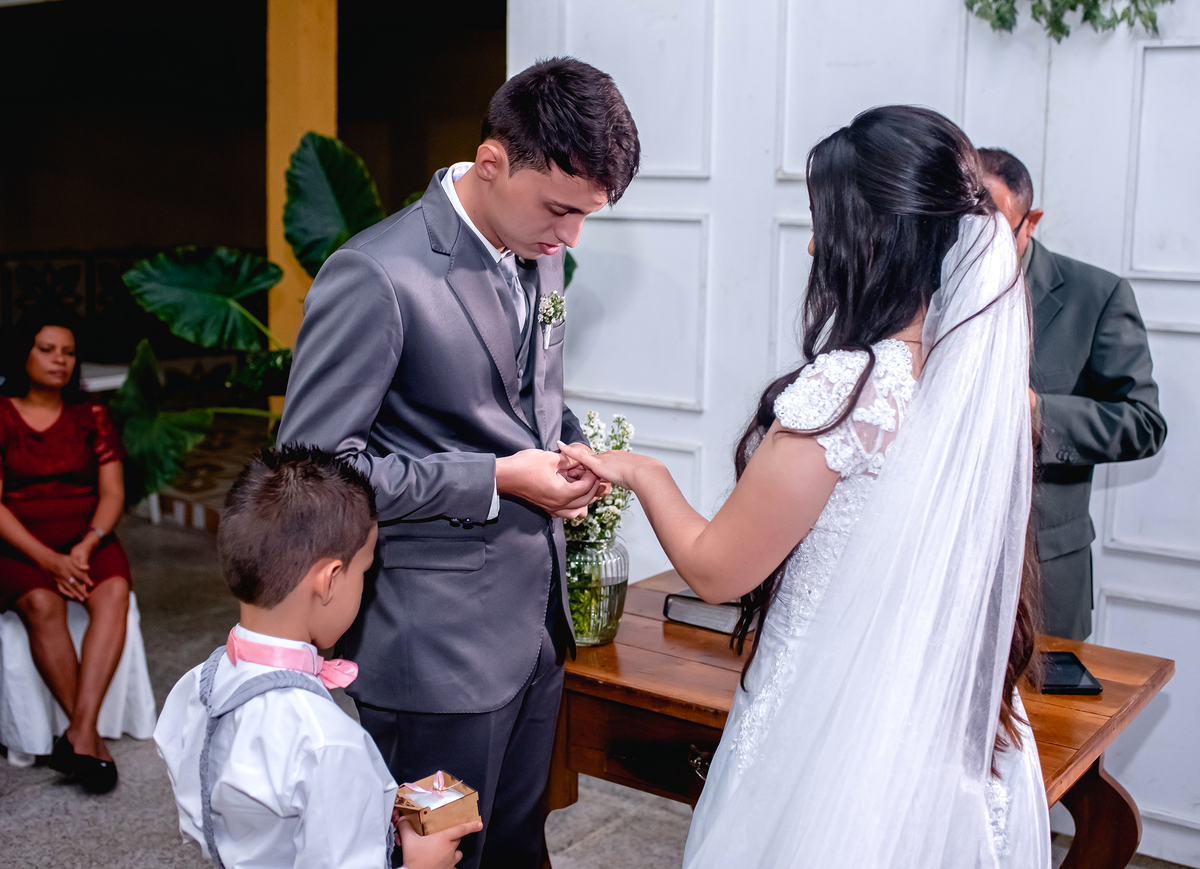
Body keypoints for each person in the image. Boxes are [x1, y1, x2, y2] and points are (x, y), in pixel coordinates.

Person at [560, 106, 1052, 867]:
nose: (817, 244)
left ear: (872, 239)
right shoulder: (994, 394)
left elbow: (717, 572)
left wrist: (640, 469)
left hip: (831, 731)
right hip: (944, 721)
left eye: (826, 222)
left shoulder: (848, 391)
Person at [277, 57, 639, 868]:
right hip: (433, 664)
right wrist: (495, 478)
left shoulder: (541, 251)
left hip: (534, 635)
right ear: (491, 161)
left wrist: (568, 449)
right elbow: (311, 471)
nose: (570, 237)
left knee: (515, 845)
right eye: (560, 209)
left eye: (586, 217)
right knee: (437, 856)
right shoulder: (378, 274)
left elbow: (525, 396)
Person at [154, 446, 481, 869]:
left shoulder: (198, 682)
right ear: (329, 580)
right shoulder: (328, 743)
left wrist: (364, 804)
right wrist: (422, 864)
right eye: (364, 571)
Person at [980, 148, 1166, 640]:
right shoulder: (927, 289)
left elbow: (1144, 425)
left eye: (993, 232)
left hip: (1044, 577)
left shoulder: (1097, 295)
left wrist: (1039, 413)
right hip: (941, 567)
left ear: (1031, 222)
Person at [0, 309, 129, 793]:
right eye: (47, 349)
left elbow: (112, 493)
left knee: (113, 593)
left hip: (86, 537)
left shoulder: (90, 414)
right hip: (18, 541)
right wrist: (48, 560)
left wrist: (87, 544)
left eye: (69, 352)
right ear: (24, 354)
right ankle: (90, 739)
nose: (60, 360)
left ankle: (79, 732)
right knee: (42, 604)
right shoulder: (2, 414)